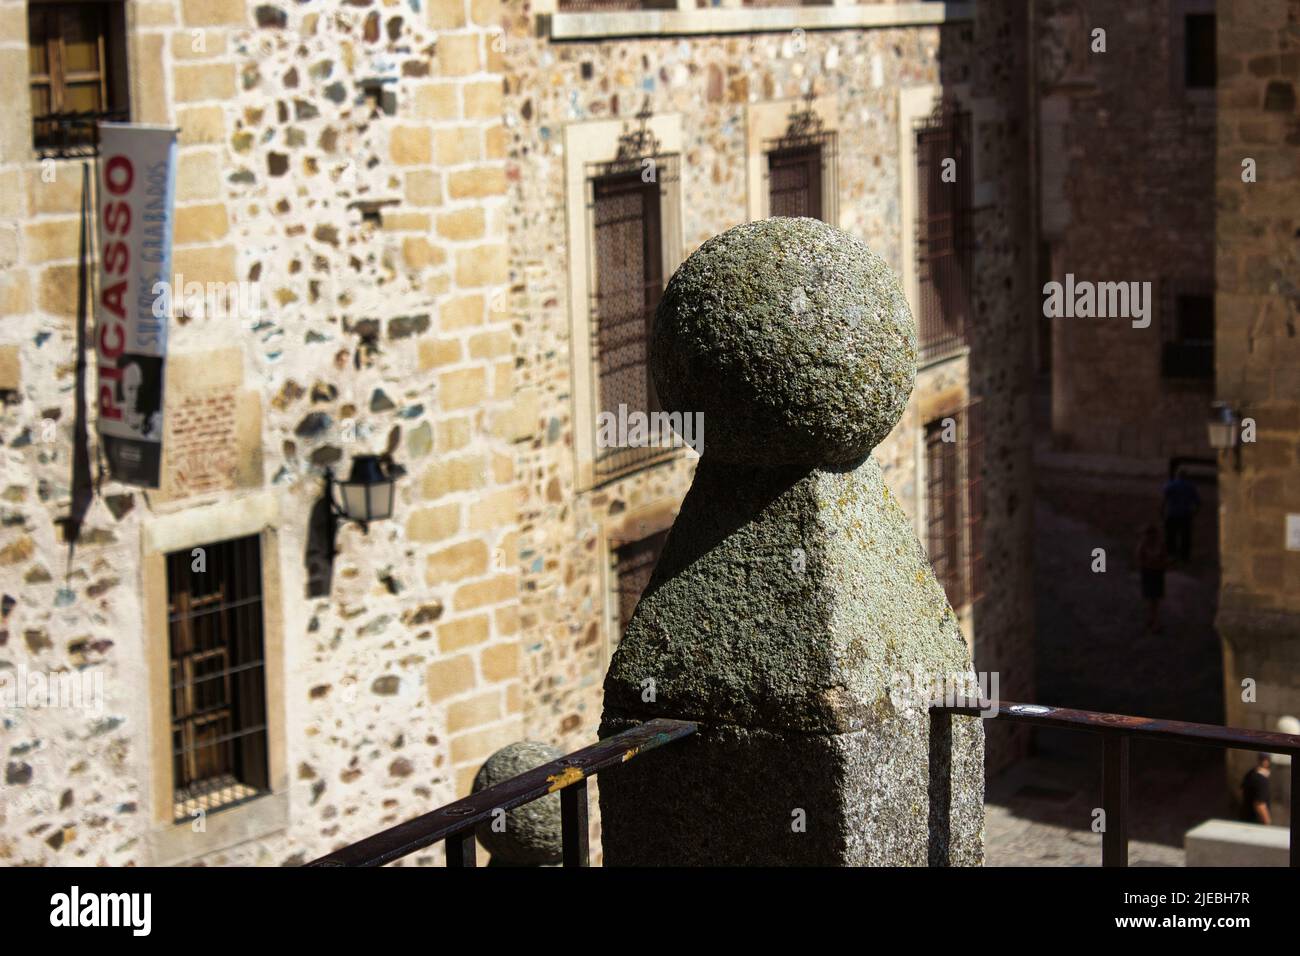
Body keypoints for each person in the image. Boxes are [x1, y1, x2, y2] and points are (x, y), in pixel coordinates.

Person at [1162, 468, 1200, 563]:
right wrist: (1195, 512)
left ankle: (1171, 555)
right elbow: (1198, 502)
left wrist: (1162, 510)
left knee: (1171, 535)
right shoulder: (1191, 486)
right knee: (1185, 537)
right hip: (1185, 515)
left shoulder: (1170, 485)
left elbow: (1164, 498)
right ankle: (1184, 557)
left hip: (1172, 514)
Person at [1136, 524, 1166, 633]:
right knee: (1151, 599)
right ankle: (1153, 620)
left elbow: (1164, 559)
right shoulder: (1142, 546)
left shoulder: (1160, 545)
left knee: (1155, 599)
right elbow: (1139, 560)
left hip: (1157, 574)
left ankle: (1154, 620)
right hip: (1149, 574)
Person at [1239, 753, 1272, 824]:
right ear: (1267, 761)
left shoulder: (1250, 773)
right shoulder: (1262, 780)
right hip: (1255, 822)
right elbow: (1260, 804)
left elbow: (1241, 791)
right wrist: (1267, 823)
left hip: (1244, 817)